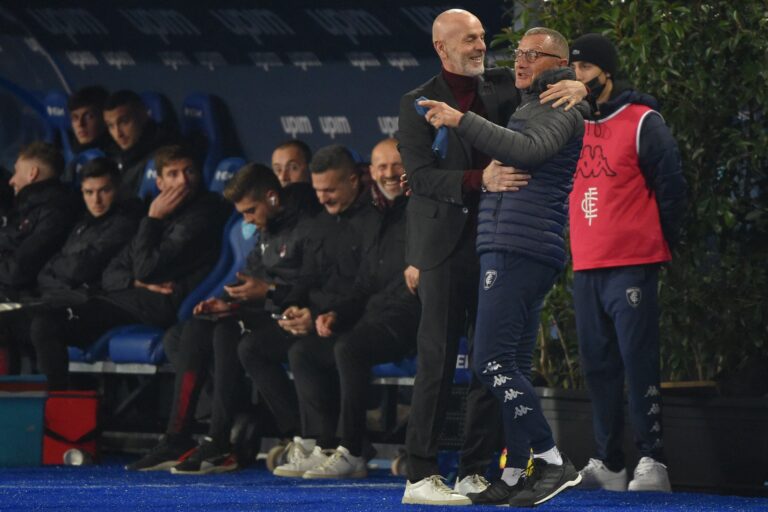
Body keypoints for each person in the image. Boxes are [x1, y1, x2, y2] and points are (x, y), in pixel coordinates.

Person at [396, 9, 586, 506]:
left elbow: (550, 101)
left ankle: (474, 471)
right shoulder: (416, 102)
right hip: (446, 245)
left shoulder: (506, 85)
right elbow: (419, 178)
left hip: (501, 240)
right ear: (441, 48)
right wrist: (479, 179)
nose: (482, 46)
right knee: (439, 361)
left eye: (482, 37)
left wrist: (580, 85)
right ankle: (421, 475)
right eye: (469, 39)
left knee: (492, 364)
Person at [126, 164, 319, 473]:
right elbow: (250, 279)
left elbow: (312, 289)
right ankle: (178, 436)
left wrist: (267, 293)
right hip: (267, 312)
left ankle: (220, 440)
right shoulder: (267, 227)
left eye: (250, 211)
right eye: (242, 213)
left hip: (299, 317)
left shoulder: (309, 225)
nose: (247, 220)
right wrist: (227, 302)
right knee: (198, 326)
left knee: (227, 331)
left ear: (272, 197)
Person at [567, 33, 687, 493]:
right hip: (586, 264)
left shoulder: (643, 120)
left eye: (584, 68)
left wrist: (662, 242)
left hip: (632, 263)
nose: (577, 77)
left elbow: (672, 186)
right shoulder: (568, 125)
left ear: (607, 73)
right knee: (597, 366)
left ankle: (653, 460)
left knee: (638, 362)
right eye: (572, 68)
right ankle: (609, 462)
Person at [28, 145, 230, 390]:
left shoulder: (202, 215)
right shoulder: (163, 215)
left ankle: (57, 407)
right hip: (119, 299)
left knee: (46, 324)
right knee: (29, 321)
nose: (183, 181)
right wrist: (134, 281)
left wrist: (153, 219)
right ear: (159, 183)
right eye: (173, 174)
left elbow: (146, 269)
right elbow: (112, 272)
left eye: (189, 171)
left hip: (151, 308)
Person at [278, 138, 420, 479]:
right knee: (304, 352)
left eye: (397, 165)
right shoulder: (376, 216)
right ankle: (325, 445)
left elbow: (409, 285)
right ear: (371, 171)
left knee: (349, 347)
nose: (389, 173)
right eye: (382, 166)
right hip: (372, 318)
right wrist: (335, 314)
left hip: (409, 320)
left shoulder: (423, 210)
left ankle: (353, 450)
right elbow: (364, 285)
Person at [237, 144, 378, 477]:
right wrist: (296, 309)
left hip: (357, 319)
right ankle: (311, 441)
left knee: (307, 351)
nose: (323, 198)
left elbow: (365, 287)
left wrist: (319, 317)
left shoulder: (373, 222)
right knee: (253, 346)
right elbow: (309, 278)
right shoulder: (320, 223)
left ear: (354, 181)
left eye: (330, 190)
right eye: (318, 191)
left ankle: (342, 446)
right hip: (320, 316)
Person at [29, 158, 139, 388]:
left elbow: (81, 268)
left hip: (98, 305)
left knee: (43, 325)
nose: (96, 200)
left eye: (104, 191)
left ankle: (57, 404)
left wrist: (61, 272)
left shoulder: (125, 223)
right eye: (89, 192)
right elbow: (44, 274)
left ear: (117, 188)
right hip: (64, 300)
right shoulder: (82, 225)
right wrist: (63, 274)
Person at [0, 142, 79, 297]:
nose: (11, 180)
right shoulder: (28, 205)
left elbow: (17, 271)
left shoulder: (55, 212)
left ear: (32, 173)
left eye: (16, 171)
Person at [103, 90, 173, 201]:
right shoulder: (111, 154)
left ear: (143, 115)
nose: (118, 133)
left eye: (124, 122)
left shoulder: (164, 155)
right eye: (111, 126)